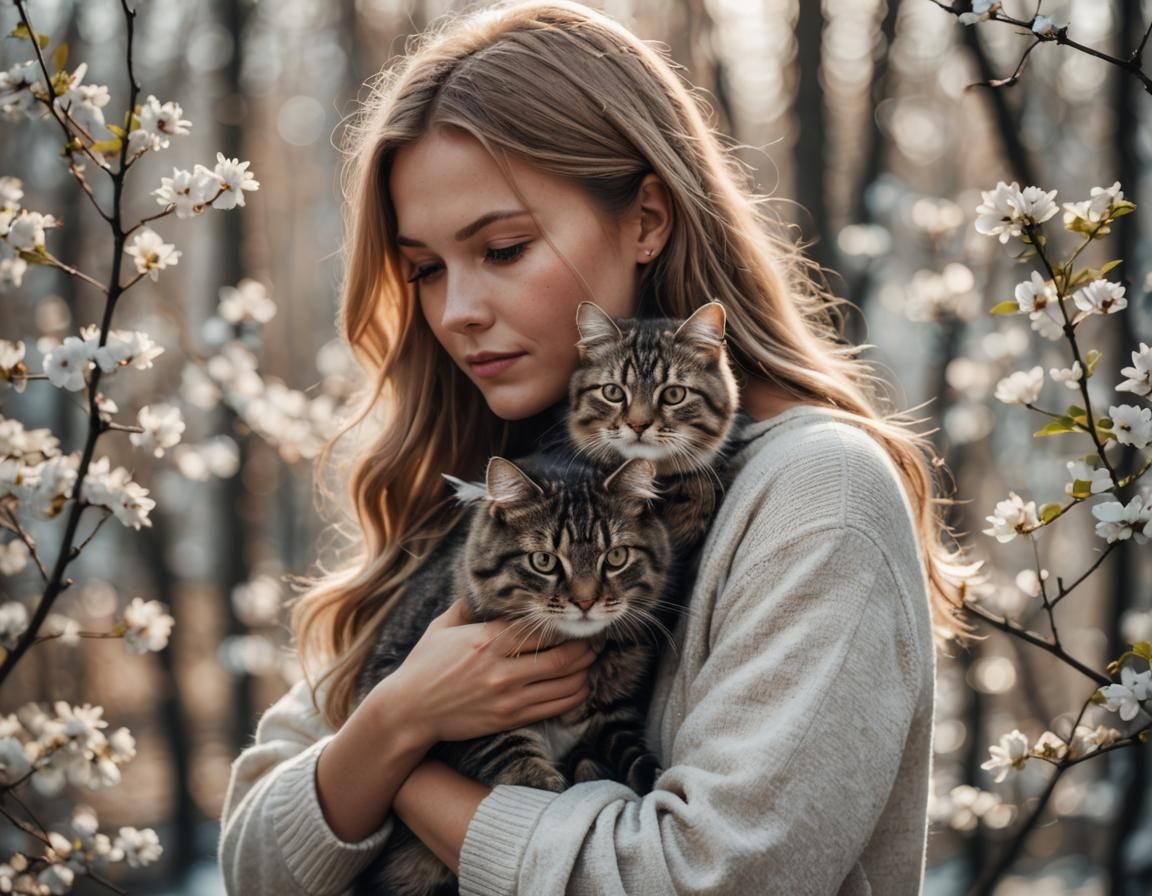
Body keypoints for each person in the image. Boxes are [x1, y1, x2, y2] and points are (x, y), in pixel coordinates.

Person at [219, 2, 975, 893]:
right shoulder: (514, 484)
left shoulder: (819, 497)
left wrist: (396, 755)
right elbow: (255, 857)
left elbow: (702, 879)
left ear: (647, 217)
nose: (456, 309)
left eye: (501, 248)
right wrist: (396, 716)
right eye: (425, 267)